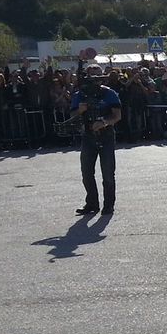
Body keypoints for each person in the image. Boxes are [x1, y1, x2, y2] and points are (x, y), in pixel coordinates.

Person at [70, 58, 122, 217]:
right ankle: (91, 203)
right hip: (88, 136)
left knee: (107, 172)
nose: (96, 79)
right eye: (92, 76)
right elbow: (72, 115)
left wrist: (105, 122)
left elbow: (118, 115)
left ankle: (109, 205)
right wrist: (79, 110)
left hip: (106, 135)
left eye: (98, 75)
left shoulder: (109, 93)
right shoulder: (80, 94)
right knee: (86, 172)